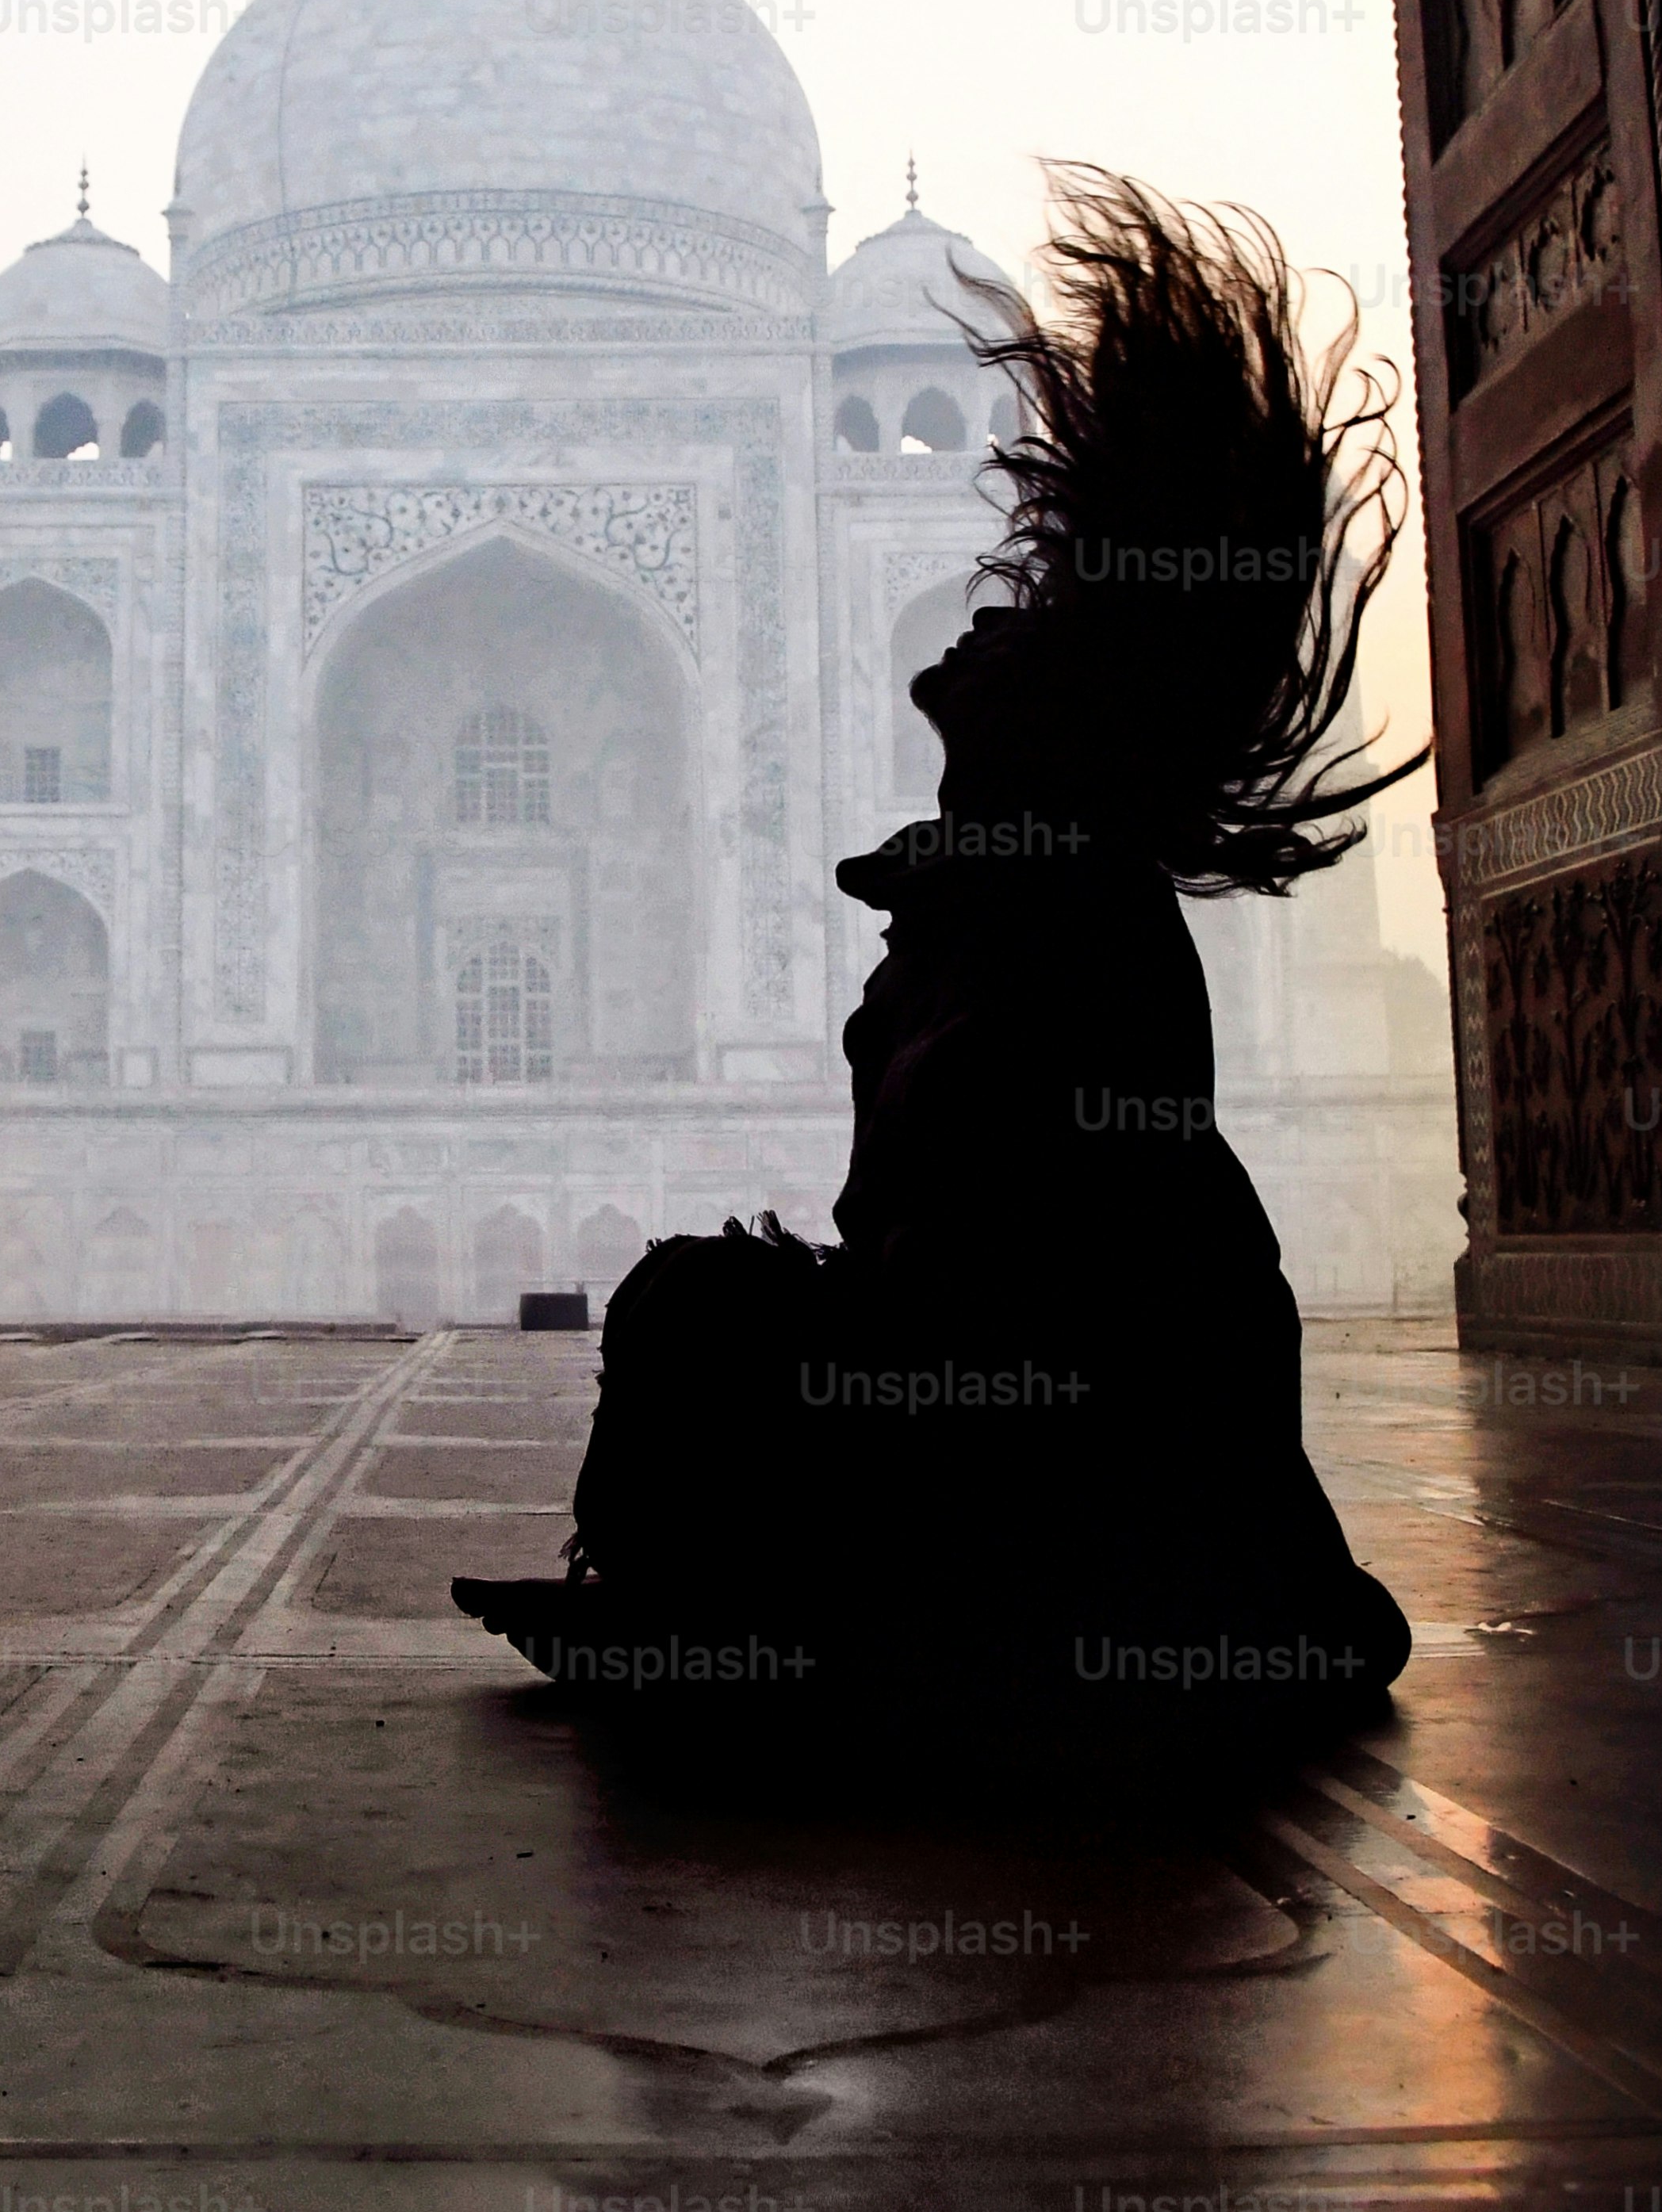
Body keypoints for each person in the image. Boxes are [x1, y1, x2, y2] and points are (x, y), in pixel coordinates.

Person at [454, 168, 1420, 1752]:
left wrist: (853, 1340)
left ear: (1071, 710)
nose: (971, 630)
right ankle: (787, 1602)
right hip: (1003, 1393)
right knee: (702, 1305)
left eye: (1019, 629)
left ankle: (853, 1620)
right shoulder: (996, 906)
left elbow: (1030, 1273)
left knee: (707, 1318)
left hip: (1081, 1441)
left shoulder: (1071, 915)